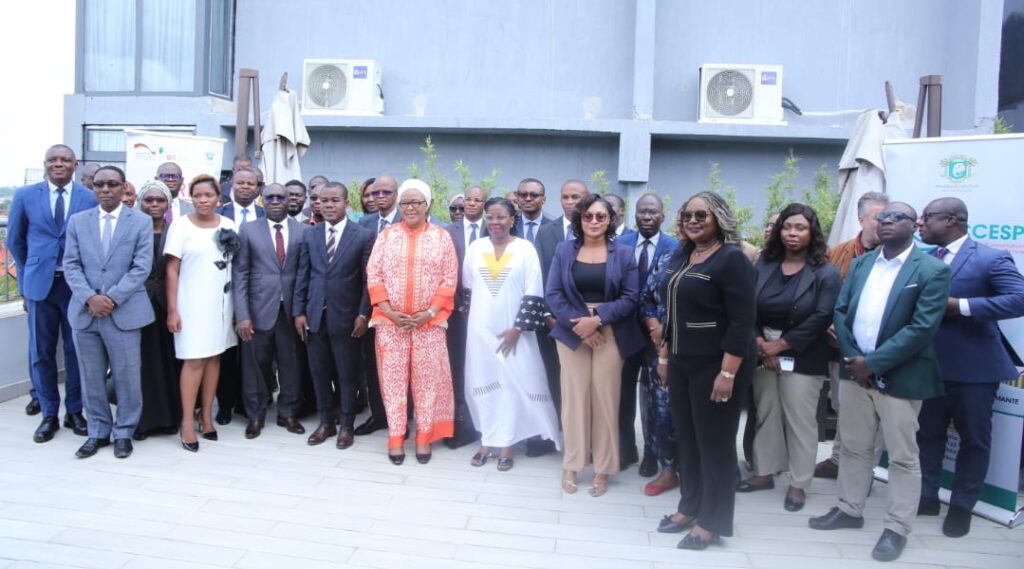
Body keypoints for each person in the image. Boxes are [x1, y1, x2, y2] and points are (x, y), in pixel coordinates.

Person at [809, 202, 950, 562]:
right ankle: (849, 509)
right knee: (854, 446)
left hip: (901, 376)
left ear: (915, 225)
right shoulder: (861, 264)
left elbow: (922, 328)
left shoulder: (932, 269)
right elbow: (841, 312)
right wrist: (854, 359)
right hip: (855, 372)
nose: (886, 222)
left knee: (903, 456)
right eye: (882, 218)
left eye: (896, 217)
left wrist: (872, 363)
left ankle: (897, 527)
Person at [916, 197, 1024, 537]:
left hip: (974, 369)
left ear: (951, 220)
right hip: (928, 366)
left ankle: (962, 506)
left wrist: (961, 306)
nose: (920, 223)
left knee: (974, 440)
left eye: (927, 217)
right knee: (927, 435)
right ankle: (927, 495)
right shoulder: (923, 258)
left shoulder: (991, 257)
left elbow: (1019, 298)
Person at [655, 191, 756, 550]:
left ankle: (712, 522)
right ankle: (690, 506)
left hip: (717, 365)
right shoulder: (683, 254)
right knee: (687, 439)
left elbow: (743, 322)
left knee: (714, 445)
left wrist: (727, 374)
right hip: (682, 362)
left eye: (702, 215)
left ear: (719, 219)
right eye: (687, 215)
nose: (693, 221)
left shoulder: (732, 258)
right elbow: (671, 313)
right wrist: (664, 359)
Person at [738, 203, 840, 513]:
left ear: (812, 232)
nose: (792, 233)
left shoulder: (826, 272)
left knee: (800, 421)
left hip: (802, 354)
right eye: (787, 227)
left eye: (800, 228)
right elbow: (747, 305)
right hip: (762, 350)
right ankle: (765, 472)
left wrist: (781, 345)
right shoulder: (764, 264)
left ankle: (799, 483)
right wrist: (760, 342)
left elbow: (822, 316)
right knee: (766, 413)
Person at [546, 193, 643, 497]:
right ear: (580, 219)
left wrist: (597, 319)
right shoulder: (564, 250)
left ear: (610, 219)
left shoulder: (624, 254)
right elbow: (553, 294)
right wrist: (581, 326)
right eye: (588, 216)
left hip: (610, 330)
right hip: (572, 329)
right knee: (574, 398)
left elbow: (631, 297)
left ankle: (603, 467)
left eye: (601, 216)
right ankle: (572, 464)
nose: (594, 221)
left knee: (605, 399)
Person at [462, 197, 561, 470]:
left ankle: (506, 444)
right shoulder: (476, 248)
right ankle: (487, 440)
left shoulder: (525, 249)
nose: (495, 222)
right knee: (483, 383)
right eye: (490, 217)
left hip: (515, 331)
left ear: (512, 219)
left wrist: (518, 329)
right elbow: (468, 289)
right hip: (480, 331)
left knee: (511, 386)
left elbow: (534, 291)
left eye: (501, 217)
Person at [7, 144, 97, 442]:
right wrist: (25, 282)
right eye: (53, 160)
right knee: (41, 352)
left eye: (65, 160)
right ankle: (48, 413)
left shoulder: (88, 197)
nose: (58, 164)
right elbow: (16, 241)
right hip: (40, 286)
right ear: (45, 164)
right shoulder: (25, 195)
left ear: (75, 165)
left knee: (76, 350)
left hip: (76, 287)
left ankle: (75, 411)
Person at [63, 165, 154, 459]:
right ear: (93, 188)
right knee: (91, 377)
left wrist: (110, 298)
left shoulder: (140, 221)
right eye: (99, 184)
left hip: (124, 312)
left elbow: (141, 266)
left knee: (127, 377)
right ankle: (98, 431)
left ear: (123, 187)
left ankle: (124, 432)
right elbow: (71, 264)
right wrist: (90, 297)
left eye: (112, 184)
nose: (105, 190)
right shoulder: (78, 221)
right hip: (85, 312)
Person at [366, 179, 458, 465]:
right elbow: (374, 274)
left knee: (427, 382)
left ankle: (423, 437)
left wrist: (429, 313)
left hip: (429, 323)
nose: (410, 207)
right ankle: (395, 437)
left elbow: (449, 279)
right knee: (392, 382)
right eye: (405, 202)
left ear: (428, 204)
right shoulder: (386, 236)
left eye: (416, 202)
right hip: (390, 323)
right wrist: (389, 312)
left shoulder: (442, 238)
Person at [814, 191, 890, 479]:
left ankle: (864, 470)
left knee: (877, 411)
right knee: (843, 406)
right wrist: (828, 324)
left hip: (882, 352)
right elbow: (821, 294)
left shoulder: (896, 255)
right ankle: (838, 460)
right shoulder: (838, 253)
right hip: (840, 348)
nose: (886, 223)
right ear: (861, 220)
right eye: (879, 217)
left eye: (889, 217)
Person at [293, 182, 373, 448]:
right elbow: (303, 275)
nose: (328, 205)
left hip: (348, 318)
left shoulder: (362, 236)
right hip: (314, 317)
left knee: (347, 375)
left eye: (334, 200)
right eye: (323, 200)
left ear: (346, 203)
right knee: (319, 373)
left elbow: (367, 281)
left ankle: (346, 425)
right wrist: (299, 311)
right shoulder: (311, 234)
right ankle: (326, 422)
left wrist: (363, 314)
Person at [164, 174, 239, 452]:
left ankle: (206, 415)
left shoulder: (229, 225)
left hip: (222, 303)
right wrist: (172, 309)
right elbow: (172, 269)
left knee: (214, 358)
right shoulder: (181, 226)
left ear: (218, 198)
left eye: (209, 195)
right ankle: (186, 421)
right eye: (197, 196)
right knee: (194, 360)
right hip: (191, 303)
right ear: (191, 198)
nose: (203, 200)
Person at [233, 183, 310, 439]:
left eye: (280, 197)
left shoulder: (303, 231)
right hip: (257, 310)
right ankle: (255, 416)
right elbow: (240, 273)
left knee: (292, 364)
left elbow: (304, 274)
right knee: (254, 366)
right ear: (262, 201)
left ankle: (287, 413)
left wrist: (301, 311)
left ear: (289, 200)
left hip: (291, 311)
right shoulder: (248, 230)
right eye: (270, 198)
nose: (275, 201)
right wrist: (243, 315)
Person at [616, 193, 678, 478]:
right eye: (642, 212)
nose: (647, 217)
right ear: (635, 215)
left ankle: (652, 453)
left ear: (662, 216)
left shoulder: (676, 247)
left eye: (653, 212)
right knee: (622, 394)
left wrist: (659, 324)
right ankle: (625, 449)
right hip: (625, 331)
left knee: (656, 397)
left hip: (658, 335)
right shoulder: (620, 243)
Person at [528, 178, 589, 457]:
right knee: (551, 377)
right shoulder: (546, 232)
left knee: (582, 384)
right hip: (552, 323)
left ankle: (583, 440)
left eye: (576, 197)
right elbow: (539, 276)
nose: (570, 202)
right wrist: (548, 315)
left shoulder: (596, 230)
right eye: (566, 197)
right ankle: (551, 435)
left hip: (587, 324)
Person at [214, 167, 265, 424]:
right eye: (240, 182)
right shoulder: (218, 215)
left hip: (257, 295)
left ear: (258, 188)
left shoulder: (267, 215)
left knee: (251, 352)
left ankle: (249, 402)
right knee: (226, 351)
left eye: (250, 183)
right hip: (222, 292)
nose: (245, 187)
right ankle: (225, 403)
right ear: (232, 185)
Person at [132, 181, 181, 440]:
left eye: (160, 200)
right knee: (143, 364)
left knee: (170, 362)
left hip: (170, 305)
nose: (154, 204)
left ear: (168, 204)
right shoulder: (131, 230)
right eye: (148, 200)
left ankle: (170, 418)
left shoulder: (177, 231)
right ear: (140, 202)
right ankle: (144, 421)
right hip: (138, 303)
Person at [353, 173, 401, 437]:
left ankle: (402, 417)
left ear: (396, 194)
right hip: (369, 305)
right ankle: (379, 415)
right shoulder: (365, 223)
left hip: (400, 309)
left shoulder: (408, 220)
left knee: (399, 365)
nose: (378, 197)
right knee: (373, 363)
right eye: (374, 193)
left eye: (385, 192)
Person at [445, 185, 488, 449]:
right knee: (458, 365)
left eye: (476, 200)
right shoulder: (448, 232)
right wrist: (460, 304)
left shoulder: (494, 229)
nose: (470, 204)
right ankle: (461, 422)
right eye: (467, 199)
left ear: (484, 204)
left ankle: (484, 420)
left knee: (483, 366)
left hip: (486, 311)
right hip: (455, 313)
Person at [511, 178, 551, 243]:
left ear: (544, 200)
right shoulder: (510, 226)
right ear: (517, 199)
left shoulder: (553, 227)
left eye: (534, 195)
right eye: (523, 195)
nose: (528, 199)